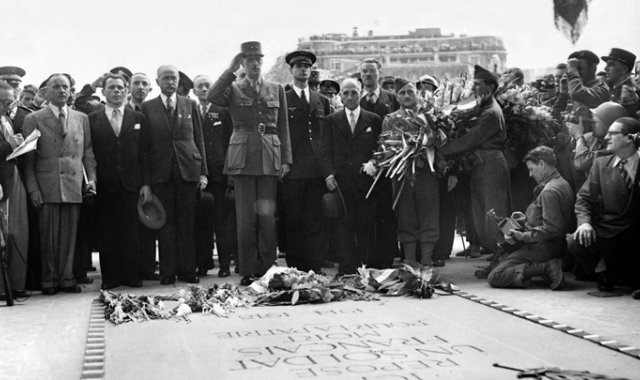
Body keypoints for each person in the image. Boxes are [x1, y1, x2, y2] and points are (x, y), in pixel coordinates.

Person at [208, 41, 291, 286]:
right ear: (243, 63)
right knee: (245, 218)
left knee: (267, 216)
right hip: (243, 157)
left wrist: (286, 159)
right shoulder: (233, 88)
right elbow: (213, 95)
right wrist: (230, 69)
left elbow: (283, 126)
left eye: (258, 60)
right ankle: (247, 268)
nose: (255, 65)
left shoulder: (276, 89)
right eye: (249, 61)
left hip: (269, 156)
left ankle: (267, 267)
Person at [22, 73, 97, 295]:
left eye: (66, 87)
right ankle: (49, 281)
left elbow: (88, 152)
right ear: (46, 92)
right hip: (47, 185)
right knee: (48, 237)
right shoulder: (33, 119)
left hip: (73, 184)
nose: (62, 91)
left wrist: (91, 179)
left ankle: (67, 278)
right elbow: (29, 160)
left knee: (70, 235)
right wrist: (33, 188)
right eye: (57, 87)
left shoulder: (81, 118)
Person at [140, 65, 208, 285]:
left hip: (188, 171)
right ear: (157, 81)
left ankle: (188, 270)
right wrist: (147, 182)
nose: (170, 82)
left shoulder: (190, 105)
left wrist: (203, 172)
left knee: (187, 222)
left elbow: (199, 140)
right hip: (161, 175)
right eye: (166, 78)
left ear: (179, 81)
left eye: (174, 78)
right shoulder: (148, 108)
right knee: (165, 224)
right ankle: (168, 271)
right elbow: (144, 148)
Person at [440, 65, 511, 257]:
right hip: (483, 164)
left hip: (490, 164)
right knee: (483, 211)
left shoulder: (490, 113)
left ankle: (504, 254)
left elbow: (469, 140)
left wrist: (441, 150)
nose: (474, 88)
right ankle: (499, 254)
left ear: (490, 87)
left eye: (478, 85)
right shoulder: (485, 108)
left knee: (495, 212)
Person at [569, 117, 640, 296]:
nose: (606, 137)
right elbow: (583, 198)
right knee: (575, 242)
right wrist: (584, 223)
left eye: (612, 133)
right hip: (611, 229)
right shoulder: (601, 164)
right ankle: (604, 269)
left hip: (637, 230)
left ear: (630, 138)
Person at [318, 78, 382, 275]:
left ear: (360, 93)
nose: (350, 97)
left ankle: (365, 266)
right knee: (343, 226)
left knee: (365, 223)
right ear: (340, 96)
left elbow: (381, 148)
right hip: (341, 182)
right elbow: (324, 151)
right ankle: (346, 268)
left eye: (354, 92)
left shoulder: (374, 119)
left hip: (366, 182)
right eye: (345, 93)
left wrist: (374, 163)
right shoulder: (330, 121)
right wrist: (328, 174)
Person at [488, 146, 574, 290]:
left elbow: (551, 228)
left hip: (543, 248)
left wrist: (522, 236)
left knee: (496, 276)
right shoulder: (561, 183)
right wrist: (525, 219)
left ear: (541, 164)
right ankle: (544, 268)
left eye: (531, 169)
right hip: (551, 246)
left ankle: (546, 268)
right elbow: (550, 218)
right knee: (503, 263)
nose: (530, 174)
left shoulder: (549, 191)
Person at [89, 74, 146, 289]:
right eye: (112, 87)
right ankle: (110, 278)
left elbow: (144, 154)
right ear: (103, 91)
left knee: (130, 232)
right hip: (105, 184)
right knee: (107, 233)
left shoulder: (137, 118)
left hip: (132, 184)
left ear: (126, 91)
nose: (117, 91)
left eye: (121, 88)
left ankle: (131, 275)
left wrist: (146, 184)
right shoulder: (92, 119)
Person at [381, 78, 440, 267]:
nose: (406, 96)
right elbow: (384, 148)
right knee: (405, 216)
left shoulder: (430, 116)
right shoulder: (390, 120)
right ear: (397, 97)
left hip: (426, 173)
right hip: (402, 176)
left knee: (429, 214)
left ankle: (427, 259)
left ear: (417, 94)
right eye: (402, 93)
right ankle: (410, 260)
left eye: (410, 92)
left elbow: (440, 144)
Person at [282, 50, 331, 273]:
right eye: (298, 66)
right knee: (293, 218)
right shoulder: (283, 97)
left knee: (315, 218)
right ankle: (296, 264)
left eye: (306, 66)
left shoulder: (322, 100)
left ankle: (315, 264)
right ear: (291, 70)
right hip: (293, 169)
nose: (303, 70)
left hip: (316, 170)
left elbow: (326, 135)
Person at [192, 74, 237, 278]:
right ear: (193, 90)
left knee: (222, 222)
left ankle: (225, 264)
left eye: (207, 86)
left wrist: (230, 172)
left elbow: (231, 141)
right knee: (202, 222)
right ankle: (203, 263)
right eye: (199, 86)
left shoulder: (223, 111)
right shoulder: (191, 111)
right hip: (198, 174)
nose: (203, 89)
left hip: (219, 173)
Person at [359, 58, 400, 268]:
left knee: (387, 211)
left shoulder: (392, 99)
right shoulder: (354, 99)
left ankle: (387, 256)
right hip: (364, 166)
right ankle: (368, 257)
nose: (368, 75)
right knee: (366, 212)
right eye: (364, 72)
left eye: (372, 71)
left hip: (390, 165)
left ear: (379, 74)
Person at [125, 72, 158, 281]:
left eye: (144, 84)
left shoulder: (153, 110)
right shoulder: (122, 111)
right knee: (129, 224)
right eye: (135, 83)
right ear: (129, 87)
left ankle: (148, 268)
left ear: (150, 88)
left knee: (149, 222)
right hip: (127, 177)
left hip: (150, 175)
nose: (140, 87)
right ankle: (132, 268)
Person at [0, 80, 29, 299]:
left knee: (15, 233)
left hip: (13, 178)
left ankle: (14, 284)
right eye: (4, 102)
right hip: (2, 183)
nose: (8, 106)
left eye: (11, 102)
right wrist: (10, 145)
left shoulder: (6, 118)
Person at [570, 102, 628, 189]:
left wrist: (579, 136)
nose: (591, 124)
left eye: (595, 122)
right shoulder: (599, 140)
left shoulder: (613, 150)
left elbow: (582, 163)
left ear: (608, 127)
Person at [601, 48, 639, 117]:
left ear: (624, 69)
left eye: (611, 64)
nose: (605, 68)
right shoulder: (610, 88)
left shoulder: (630, 91)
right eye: (607, 64)